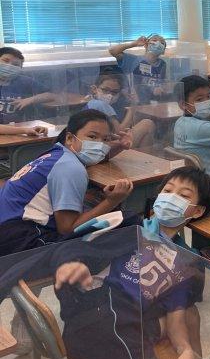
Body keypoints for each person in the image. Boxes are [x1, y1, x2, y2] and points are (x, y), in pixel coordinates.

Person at [53, 166, 210, 359]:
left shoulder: (186, 261)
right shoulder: (129, 225)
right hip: (103, 314)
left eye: (183, 195)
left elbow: (177, 317)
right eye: (167, 190)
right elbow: (75, 244)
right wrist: (73, 263)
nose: (171, 198)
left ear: (197, 210)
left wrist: (185, 350)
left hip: (134, 326)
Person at [0, 109, 133, 256]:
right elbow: (67, 229)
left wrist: (120, 145)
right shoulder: (71, 168)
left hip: (7, 221)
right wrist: (112, 201)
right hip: (20, 238)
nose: (99, 145)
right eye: (92, 137)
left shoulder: (58, 154)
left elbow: (97, 156)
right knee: (128, 221)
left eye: (106, 139)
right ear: (70, 138)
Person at [85, 71, 156, 149]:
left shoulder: (91, 102)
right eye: (105, 90)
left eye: (114, 92)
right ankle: (145, 156)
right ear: (94, 89)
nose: (110, 95)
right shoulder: (101, 105)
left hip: (97, 144)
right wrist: (132, 108)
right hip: (103, 147)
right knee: (147, 124)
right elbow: (120, 133)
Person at [0, 47, 54, 124]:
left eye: (16, 64)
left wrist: (30, 100)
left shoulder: (24, 81)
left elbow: (51, 95)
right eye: (5, 60)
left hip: (17, 126)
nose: (9, 66)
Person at [109, 34, 168, 101]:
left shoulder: (162, 64)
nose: (158, 44)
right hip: (133, 100)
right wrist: (134, 44)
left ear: (163, 51)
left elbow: (162, 83)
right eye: (154, 40)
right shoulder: (133, 60)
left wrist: (161, 89)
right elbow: (112, 51)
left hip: (153, 101)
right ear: (146, 45)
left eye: (162, 43)